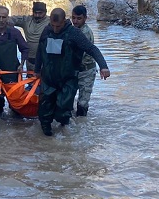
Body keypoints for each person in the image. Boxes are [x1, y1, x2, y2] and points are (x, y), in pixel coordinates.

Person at [35, 8, 110, 136]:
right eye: (53, 25)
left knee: (62, 111)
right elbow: (40, 50)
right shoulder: (47, 30)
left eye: (58, 26)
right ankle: (47, 142)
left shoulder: (74, 33)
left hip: (67, 79)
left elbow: (91, 49)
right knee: (44, 113)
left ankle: (65, 136)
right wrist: (36, 69)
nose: (55, 29)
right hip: (49, 78)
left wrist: (103, 66)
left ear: (64, 21)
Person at [0, 5, 30, 116]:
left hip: (12, 73)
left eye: (4, 17)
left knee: (16, 105)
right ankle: (1, 124)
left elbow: (25, 49)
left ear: (7, 18)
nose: (1, 20)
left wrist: (22, 64)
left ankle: (16, 127)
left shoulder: (15, 33)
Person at [70, 4, 96, 117]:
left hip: (86, 71)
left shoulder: (85, 32)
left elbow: (77, 54)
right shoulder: (73, 30)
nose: (75, 21)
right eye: (73, 18)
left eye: (79, 18)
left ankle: (81, 126)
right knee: (69, 100)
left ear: (85, 18)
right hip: (75, 70)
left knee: (83, 103)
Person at [10, 1, 50, 71]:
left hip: (45, 61)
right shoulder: (27, 20)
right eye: (35, 13)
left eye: (40, 13)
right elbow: (9, 19)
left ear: (45, 12)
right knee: (31, 81)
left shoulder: (50, 22)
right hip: (30, 60)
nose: (37, 15)